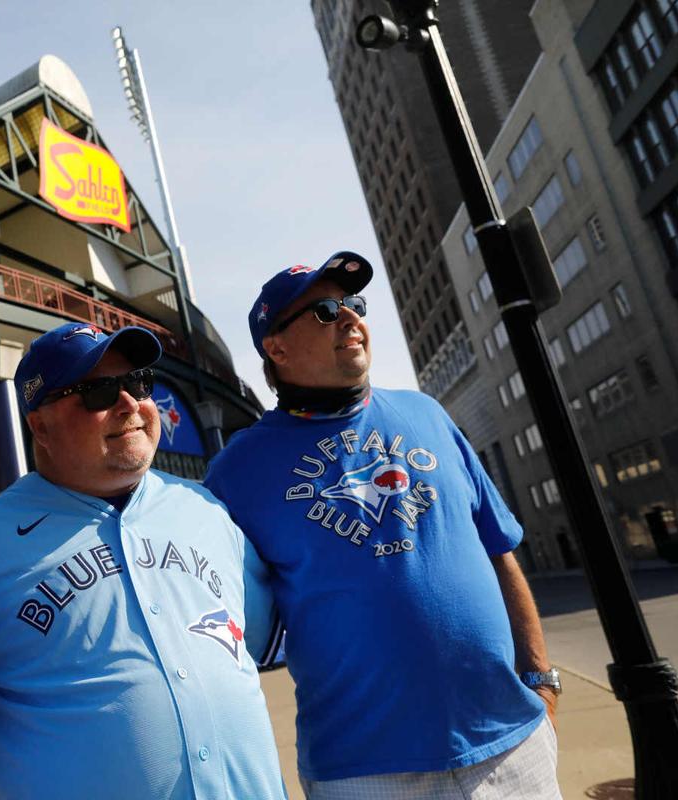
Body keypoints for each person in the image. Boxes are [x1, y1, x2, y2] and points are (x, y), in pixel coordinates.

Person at [204, 252, 562, 799]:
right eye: (326, 311)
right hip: (364, 771)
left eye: (354, 305)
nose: (350, 318)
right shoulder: (237, 471)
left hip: (513, 744)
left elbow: (499, 549)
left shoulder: (427, 414)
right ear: (275, 347)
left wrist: (540, 679)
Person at [0, 321, 288, 800]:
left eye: (138, 383)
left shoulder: (206, 509)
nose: (130, 403)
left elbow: (246, 646)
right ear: (40, 425)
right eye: (97, 391)